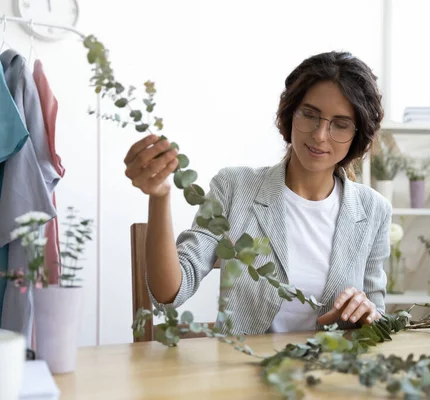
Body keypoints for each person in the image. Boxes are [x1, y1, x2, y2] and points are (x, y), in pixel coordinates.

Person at [123, 51, 392, 335]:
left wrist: (366, 313)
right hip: (242, 371)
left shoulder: (373, 210)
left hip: (331, 372)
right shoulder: (233, 188)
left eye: (340, 124)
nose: (320, 135)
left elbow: (379, 321)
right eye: (310, 115)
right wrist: (160, 196)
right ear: (290, 115)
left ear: (358, 134)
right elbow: (169, 294)